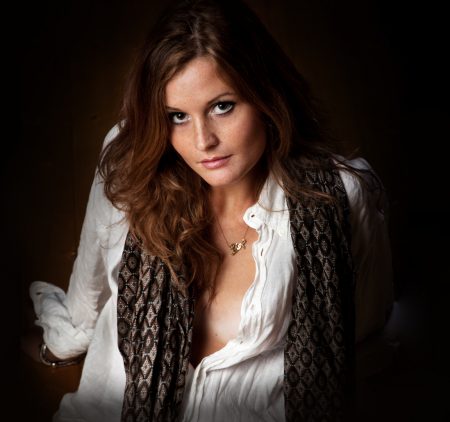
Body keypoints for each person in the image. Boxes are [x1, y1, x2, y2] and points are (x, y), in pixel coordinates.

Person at [22, 0, 394, 420]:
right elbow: (91, 277)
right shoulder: (132, 160)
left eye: (222, 106)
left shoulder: (338, 197)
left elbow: (362, 322)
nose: (203, 142)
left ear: (268, 95)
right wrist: (63, 343)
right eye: (177, 116)